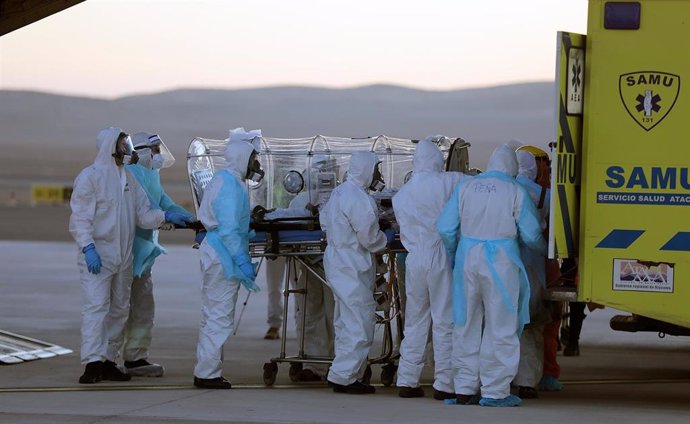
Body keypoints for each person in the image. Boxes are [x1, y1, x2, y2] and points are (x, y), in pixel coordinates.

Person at [69, 127, 192, 384]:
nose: (128, 151)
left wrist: (166, 217)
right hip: (98, 257)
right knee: (96, 308)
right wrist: (88, 247)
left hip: (123, 257)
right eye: (124, 146)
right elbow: (80, 219)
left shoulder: (129, 179)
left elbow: (143, 215)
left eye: (128, 146)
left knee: (119, 310)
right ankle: (92, 363)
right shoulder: (89, 178)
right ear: (110, 148)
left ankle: (109, 361)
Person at [437, 144, 545, 407]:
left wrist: (458, 251)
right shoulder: (515, 190)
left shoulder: (466, 187)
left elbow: (445, 227)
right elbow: (531, 235)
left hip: (467, 258)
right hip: (502, 262)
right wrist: (545, 251)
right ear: (512, 167)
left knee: (465, 323)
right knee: (501, 326)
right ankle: (495, 391)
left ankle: (464, 387)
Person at [391, 138, 464, 400]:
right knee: (444, 318)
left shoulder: (402, 196)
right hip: (439, 254)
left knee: (415, 319)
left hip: (414, 259)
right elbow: (472, 185)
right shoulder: (448, 181)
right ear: (436, 160)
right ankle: (445, 381)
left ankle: (407, 379)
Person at [320, 151, 394, 394]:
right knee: (360, 320)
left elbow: (324, 221)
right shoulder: (358, 198)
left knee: (345, 319)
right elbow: (370, 239)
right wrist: (386, 236)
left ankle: (344, 372)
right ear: (366, 170)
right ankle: (344, 377)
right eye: (376, 170)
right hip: (352, 263)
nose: (378, 175)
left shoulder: (340, 192)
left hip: (337, 260)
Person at [121, 132, 195, 377]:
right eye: (153, 149)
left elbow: (163, 201)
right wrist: (168, 216)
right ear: (141, 151)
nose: (157, 154)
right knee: (120, 308)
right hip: (126, 252)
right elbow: (144, 213)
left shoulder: (151, 174)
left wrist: (187, 218)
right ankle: (105, 359)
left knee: (142, 306)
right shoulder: (130, 174)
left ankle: (136, 358)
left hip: (144, 253)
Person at [193, 135, 263, 389]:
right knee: (220, 315)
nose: (256, 165)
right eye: (253, 159)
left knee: (212, 313)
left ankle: (206, 368)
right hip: (222, 254)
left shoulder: (225, 180)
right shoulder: (230, 186)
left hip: (216, 252)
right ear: (243, 159)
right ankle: (207, 374)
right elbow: (230, 230)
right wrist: (243, 261)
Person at [513, 148, 552, 399]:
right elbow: (543, 232)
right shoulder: (544, 195)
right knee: (532, 324)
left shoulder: (502, 190)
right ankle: (527, 381)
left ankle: (498, 378)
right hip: (533, 264)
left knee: (501, 323)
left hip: (502, 262)